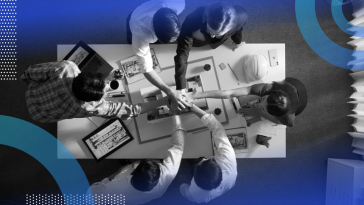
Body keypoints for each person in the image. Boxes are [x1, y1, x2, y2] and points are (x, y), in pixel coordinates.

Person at [86, 102, 186, 205]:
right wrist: (176, 114)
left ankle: (126, 165)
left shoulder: (112, 188)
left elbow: (94, 191)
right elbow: (178, 145)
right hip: (139, 199)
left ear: (133, 172)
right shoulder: (168, 174)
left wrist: (121, 172)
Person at [20, 61, 169, 123]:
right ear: (91, 100)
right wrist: (166, 100)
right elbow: (130, 111)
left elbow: (31, 72)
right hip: (40, 115)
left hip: (31, 93)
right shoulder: (88, 108)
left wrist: (25, 80)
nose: (106, 85)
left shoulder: (67, 67)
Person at [127, 0, 190, 110]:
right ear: (155, 35)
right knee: (129, 42)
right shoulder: (139, 33)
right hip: (135, 17)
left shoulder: (177, 3)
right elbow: (147, 69)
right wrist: (169, 91)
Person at [174, 2, 248, 90]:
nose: (212, 36)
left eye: (217, 34)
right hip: (196, 41)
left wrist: (238, 42)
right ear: (206, 17)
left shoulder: (242, 17)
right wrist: (181, 87)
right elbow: (182, 54)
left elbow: (238, 29)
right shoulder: (193, 19)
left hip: (215, 44)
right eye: (210, 30)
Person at [188, 77, 307, 127]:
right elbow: (228, 93)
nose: (259, 104)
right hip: (294, 83)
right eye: (263, 99)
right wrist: (197, 95)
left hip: (301, 102)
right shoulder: (268, 88)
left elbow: (278, 121)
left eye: (264, 108)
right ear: (271, 93)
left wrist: (259, 112)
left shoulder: (288, 118)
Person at [179, 103, 237, 203]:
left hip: (207, 192)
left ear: (195, 178)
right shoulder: (228, 159)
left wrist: (182, 184)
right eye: (206, 161)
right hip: (229, 183)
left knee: (182, 183)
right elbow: (217, 128)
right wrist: (193, 107)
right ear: (216, 165)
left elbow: (184, 189)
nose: (203, 159)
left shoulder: (195, 193)